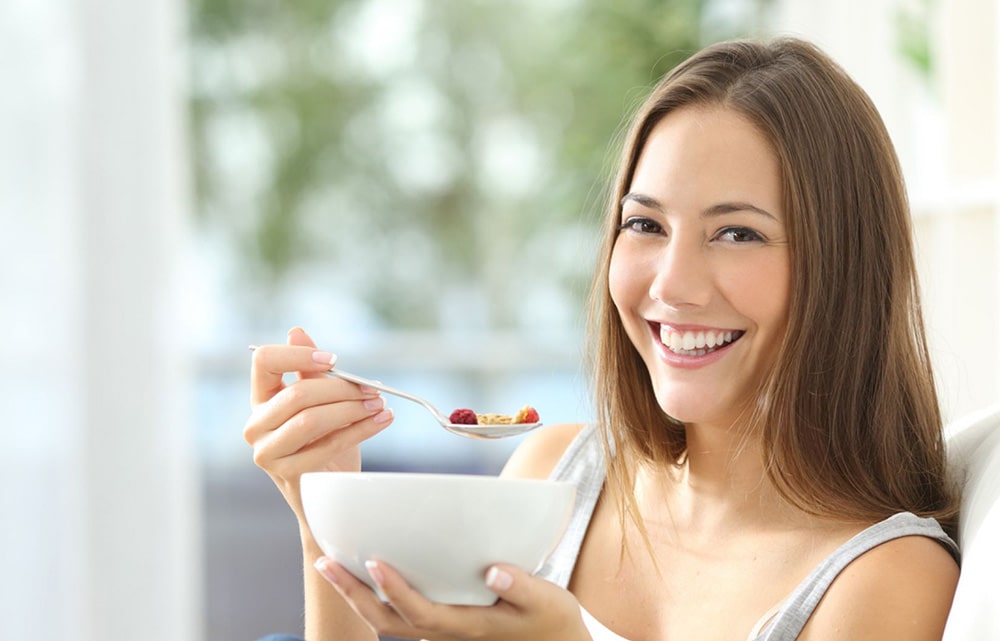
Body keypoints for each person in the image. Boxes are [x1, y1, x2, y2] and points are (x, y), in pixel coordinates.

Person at [245, 37, 961, 641]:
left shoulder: (886, 576)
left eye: (736, 233)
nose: (672, 283)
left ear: (841, 266)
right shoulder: (555, 475)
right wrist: (329, 518)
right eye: (645, 224)